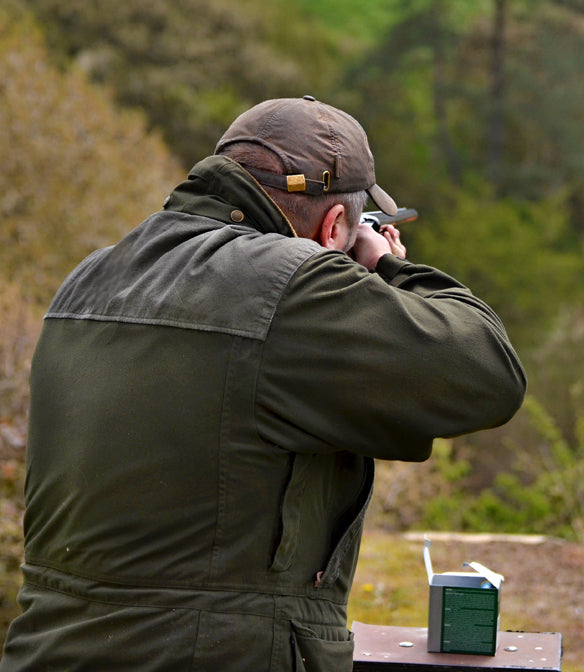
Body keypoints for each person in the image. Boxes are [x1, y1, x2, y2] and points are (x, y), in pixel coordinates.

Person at [0, 96, 526, 671]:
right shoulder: (292, 289)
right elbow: (487, 372)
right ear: (333, 227)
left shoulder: (87, 278)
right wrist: (386, 268)